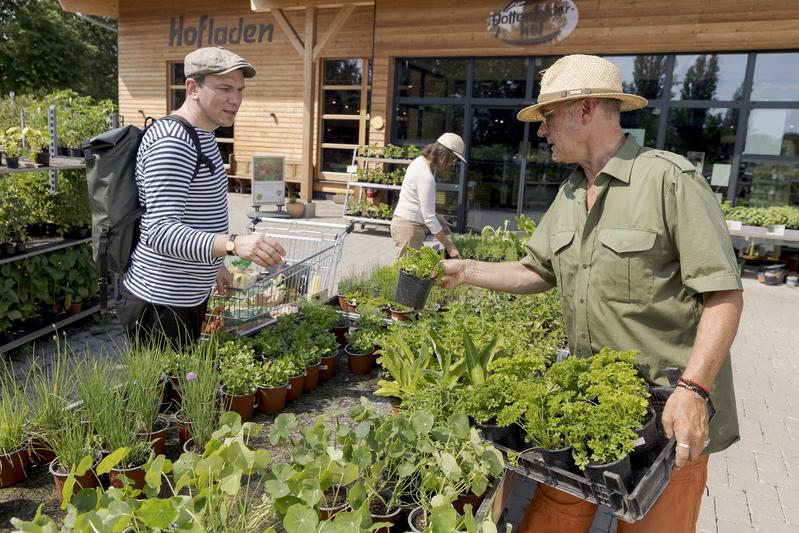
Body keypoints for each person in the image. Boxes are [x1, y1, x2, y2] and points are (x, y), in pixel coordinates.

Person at [440, 55, 743, 533]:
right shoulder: (568, 194)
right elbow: (534, 271)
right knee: (551, 518)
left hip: (665, 411)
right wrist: (465, 270)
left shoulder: (669, 180)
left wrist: (694, 389)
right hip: (587, 403)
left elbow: (723, 295)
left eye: (548, 117)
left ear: (584, 110)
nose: (542, 131)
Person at [116, 47, 286, 347]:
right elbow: (160, 232)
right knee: (165, 392)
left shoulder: (203, 134)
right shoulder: (173, 142)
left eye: (239, 89)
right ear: (192, 88)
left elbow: (195, 214)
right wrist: (233, 244)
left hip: (183, 296)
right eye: (224, 88)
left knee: (180, 387)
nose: (235, 99)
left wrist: (214, 263)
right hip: (160, 302)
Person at [390, 133, 465, 258]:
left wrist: (438, 218)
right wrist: (450, 246)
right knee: (409, 275)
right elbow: (429, 219)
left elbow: (417, 201)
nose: (453, 164)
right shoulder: (426, 176)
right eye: (453, 159)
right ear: (444, 155)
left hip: (406, 226)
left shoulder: (419, 162)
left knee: (415, 272)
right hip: (409, 229)